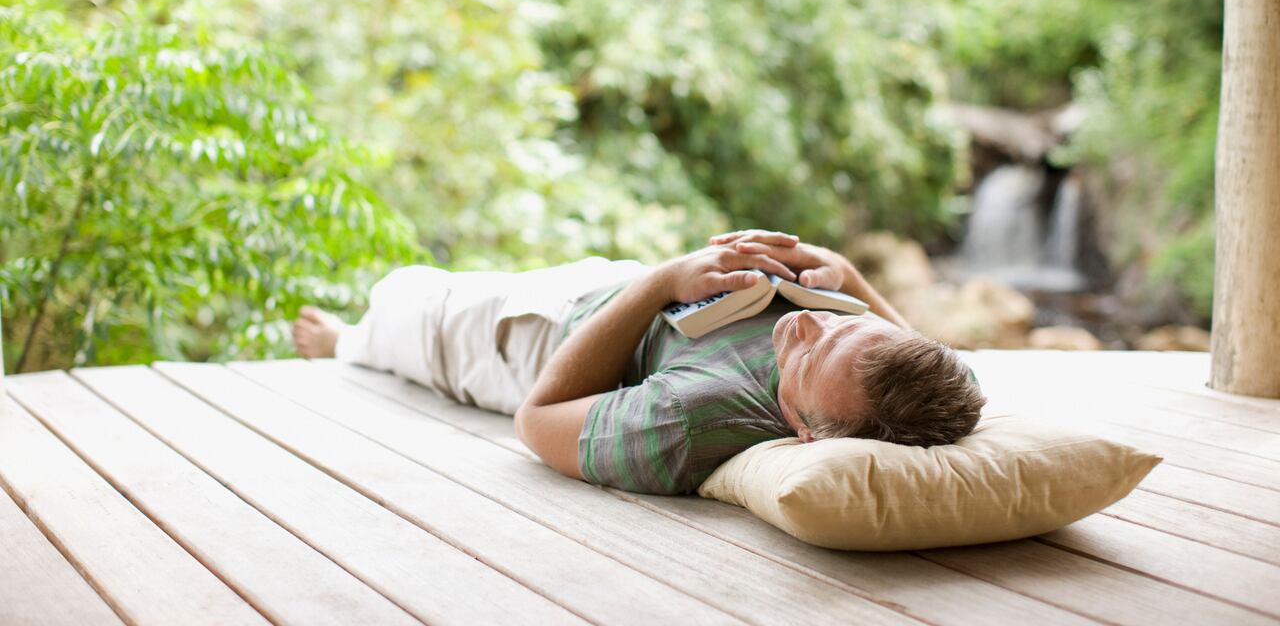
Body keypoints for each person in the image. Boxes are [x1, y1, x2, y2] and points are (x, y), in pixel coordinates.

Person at [293, 229, 986, 495]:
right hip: (629, 288)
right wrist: (844, 278)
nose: (807, 322)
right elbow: (928, 352)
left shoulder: (690, 421)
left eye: (809, 354)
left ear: (805, 430)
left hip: (530, 340)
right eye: (843, 327)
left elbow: (536, 422)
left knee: (402, 295)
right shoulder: (931, 385)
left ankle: (343, 343)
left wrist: (659, 283)